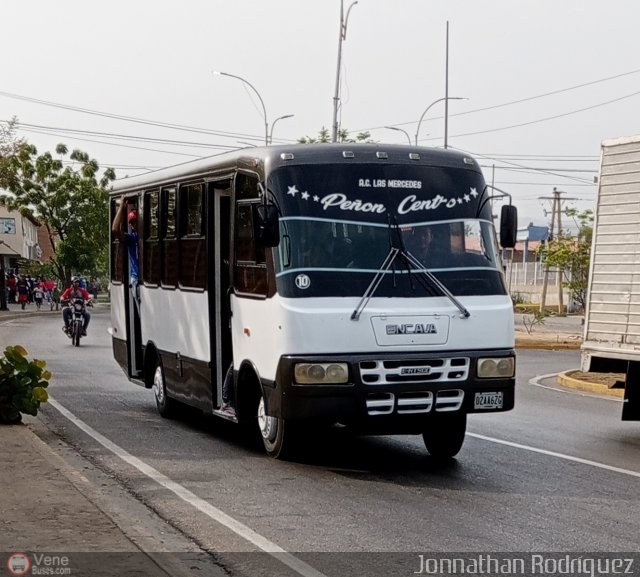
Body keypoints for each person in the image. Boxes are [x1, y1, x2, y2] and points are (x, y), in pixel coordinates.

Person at [112, 198, 140, 306]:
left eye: (136, 222)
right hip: (136, 280)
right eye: (132, 223)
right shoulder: (131, 238)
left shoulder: (148, 238)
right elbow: (115, 229)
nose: (134, 225)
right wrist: (121, 208)